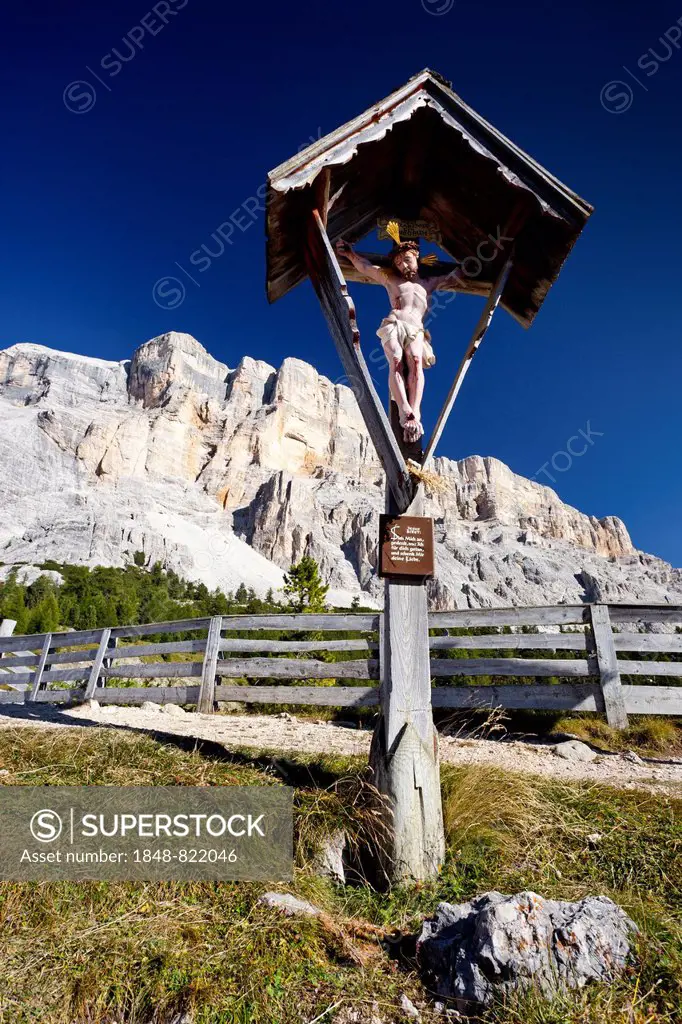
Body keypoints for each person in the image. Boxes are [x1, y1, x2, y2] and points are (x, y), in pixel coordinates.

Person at [336, 223, 459, 443]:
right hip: (394, 322)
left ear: (417, 257)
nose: (403, 265)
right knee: (396, 361)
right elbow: (365, 267)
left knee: (415, 363)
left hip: (416, 328)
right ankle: (404, 412)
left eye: (407, 260)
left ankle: (416, 412)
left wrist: (483, 259)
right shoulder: (391, 279)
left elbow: (457, 274)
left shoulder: (429, 283)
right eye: (398, 262)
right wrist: (351, 253)